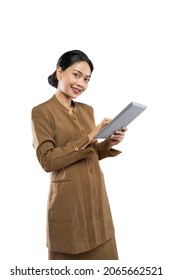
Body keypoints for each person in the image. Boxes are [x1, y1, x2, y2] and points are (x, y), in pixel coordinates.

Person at [31, 50, 127, 260]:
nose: (81, 84)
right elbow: (48, 161)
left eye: (86, 79)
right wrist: (91, 135)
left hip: (98, 205)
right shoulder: (41, 112)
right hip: (69, 209)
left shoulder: (86, 110)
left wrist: (107, 143)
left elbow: (89, 153)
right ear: (59, 72)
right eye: (76, 75)